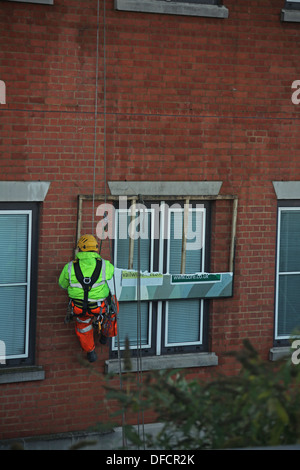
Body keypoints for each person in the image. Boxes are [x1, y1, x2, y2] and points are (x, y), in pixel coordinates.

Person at [59, 234, 115, 363]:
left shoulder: (69, 267)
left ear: (80, 249)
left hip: (79, 308)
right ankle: (106, 335)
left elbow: (62, 285)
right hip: (99, 307)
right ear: (95, 249)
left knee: (83, 325)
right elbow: (111, 274)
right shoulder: (105, 265)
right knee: (113, 309)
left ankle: (90, 352)